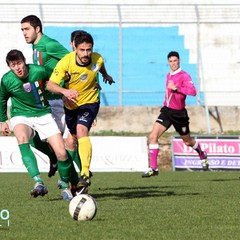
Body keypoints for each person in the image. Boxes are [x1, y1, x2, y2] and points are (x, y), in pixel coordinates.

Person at [0, 49, 78, 200]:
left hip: (44, 114)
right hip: (21, 115)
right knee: (22, 138)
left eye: (19, 63)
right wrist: (3, 120)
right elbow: (2, 99)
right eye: (13, 65)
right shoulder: (6, 80)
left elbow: (56, 80)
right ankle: (38, 182)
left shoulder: (39, 71)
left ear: (25, 61)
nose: (17, 68)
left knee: (61, 152)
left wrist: (62, 93)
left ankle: (64, 185)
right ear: (9, 66)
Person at [47, 31, 115, 190]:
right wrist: (64, 92)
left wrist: (106, 75)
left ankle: (84, 173)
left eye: (88, 50)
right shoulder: (66, 62)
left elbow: (100, 65)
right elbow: (50, 85)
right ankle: (66, 178)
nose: (86, 54)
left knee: (82, 130)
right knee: (71, 141)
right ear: (75, 49)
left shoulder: (97, 58)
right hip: (71, 105)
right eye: (82, 50)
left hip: (90, 101)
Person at [142, 51, 209, 177]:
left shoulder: (184, 76)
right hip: (167, 112)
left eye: (175, 60)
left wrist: (177, 88)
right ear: (168, 62)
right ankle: (154, 168)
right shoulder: (168, 75)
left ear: (179, 61)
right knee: (152, 137)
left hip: (179, 115)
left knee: (188, 142)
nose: (173, 63)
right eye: (171, 61)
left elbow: (193, 92)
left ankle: (201, 153)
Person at [21, 15, 70, 178]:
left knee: (65, 143)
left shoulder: (49, 44)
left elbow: (72, 61)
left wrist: (65, 87)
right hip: (45, 99)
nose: (24, 33)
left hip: (58, 99)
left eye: (27, 29)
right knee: (32, 136)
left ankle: (78, 176)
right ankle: (54, 159)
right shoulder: (35, 47)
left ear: (37, 29)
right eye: (22, 30)